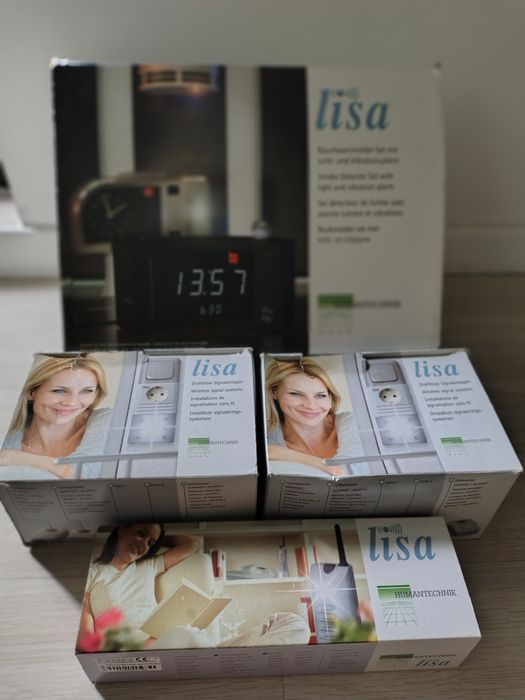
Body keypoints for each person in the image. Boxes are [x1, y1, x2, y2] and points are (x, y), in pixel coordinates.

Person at [77, 523, 310, 651]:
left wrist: (157, 541)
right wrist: (139, 647)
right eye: (141, 533)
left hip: (175, 641)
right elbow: (86, 640)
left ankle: (230, 660)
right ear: (121, 528)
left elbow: (193, 543)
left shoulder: (148, 566)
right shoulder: (93, 572)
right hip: (140, 651)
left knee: (294, 625)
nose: (144, 544)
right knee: (184, 635)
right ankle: (231, 659)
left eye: (150, 542)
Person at [0, 353, 111, 479]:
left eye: (86, 391)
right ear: (32, 393)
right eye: (59, 390)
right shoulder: (8, 434)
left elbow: (80, 472)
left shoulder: (105, 419)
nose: (71, 402)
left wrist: (10, 457)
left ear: (96, 394)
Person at [265, 357, 366, 476]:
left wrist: (280, 453)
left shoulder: (350, 422)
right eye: (296, 394)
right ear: (274, 392)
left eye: (320, 395)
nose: (311, 406)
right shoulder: (268, 436)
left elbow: (346, 472)